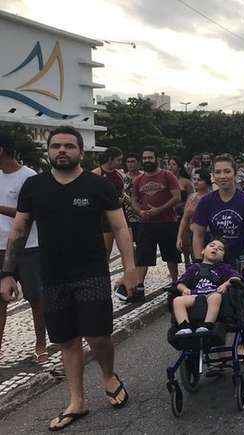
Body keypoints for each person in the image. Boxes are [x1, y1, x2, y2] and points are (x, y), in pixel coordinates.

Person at [1, 126, 135, 431]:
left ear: (81, 152)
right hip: (53, 276)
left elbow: (121, 228)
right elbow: (19, 231)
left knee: (99, 336)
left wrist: (129, 270)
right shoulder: (34, 187)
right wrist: (7, 273)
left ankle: (108, 374)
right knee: (66, 340)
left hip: (92, 273)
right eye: (56, 146)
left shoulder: (98, 186)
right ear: (48, 151)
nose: (62, 150)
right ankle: (77, 401)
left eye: (69, 146)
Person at [0, 130, 47, 362]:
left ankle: (40, 344)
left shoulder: (28, 177)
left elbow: (31, 214)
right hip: (0, 248)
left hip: (29, 247)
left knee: (35, 299)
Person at [192, 155, 244, 297]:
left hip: (242, 256)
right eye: (218, 172)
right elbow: (198, 235)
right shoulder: (206, 201)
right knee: (216, 301)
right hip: (216, 257)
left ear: (235, 174)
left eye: (227, 171)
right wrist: (200, 264)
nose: (222, 176)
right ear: (213, 176)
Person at [128, 146, 181, 303]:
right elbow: (133, 199)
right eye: (144, 158)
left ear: (156, 159)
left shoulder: (167, 176)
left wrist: (160, 209)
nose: (147, 161)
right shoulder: (138, 180)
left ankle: (175, 284)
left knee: (171, 256)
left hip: (167, 222)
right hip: (147, 223)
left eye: (150, 158)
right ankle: (139, 288)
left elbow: (176, 197)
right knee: (143, 256)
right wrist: (140, 212)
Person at [173, 238, 241, 335]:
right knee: (177, 301)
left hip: (213, 293)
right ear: (203, 251)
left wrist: (225, 284)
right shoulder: (194, 268)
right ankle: (184, 327)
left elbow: (236, 278)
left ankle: (208, 324)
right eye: (212, 245)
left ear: (222, 257)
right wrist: (184, 289)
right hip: (195, 296)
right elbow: (180, 283)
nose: (215, 248)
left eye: (220, 249)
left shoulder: (224, 268)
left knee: (215, 297)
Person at [92, 147, 128, 254]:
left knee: (127, 248)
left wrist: (125, 197)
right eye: (118, 160)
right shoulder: (96, 173)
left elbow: (122, 190)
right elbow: (93, 195)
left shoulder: (119, 174)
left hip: (121, 212)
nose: (120, 163)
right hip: (104, 216)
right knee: (105, 250)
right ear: (110, 159)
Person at [176, 170, 212, 260]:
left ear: (206, 182)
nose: (195, 182)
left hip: (208, 234)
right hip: (192, 233)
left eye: (199, 180)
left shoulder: (211, 197)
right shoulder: (191, 197)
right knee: (195, 260)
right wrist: (179, 237)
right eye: (194, 179)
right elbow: (185, 218)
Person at [168, 157, 195, 266]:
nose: (170, 167)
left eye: (173, 164)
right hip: (169, 214)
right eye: (169, 164)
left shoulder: (186, 182)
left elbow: (191, 198)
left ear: (179, 167)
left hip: (184, 213)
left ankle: (189, 262)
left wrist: (182, 207)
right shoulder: (167, 181)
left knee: (186, 241)